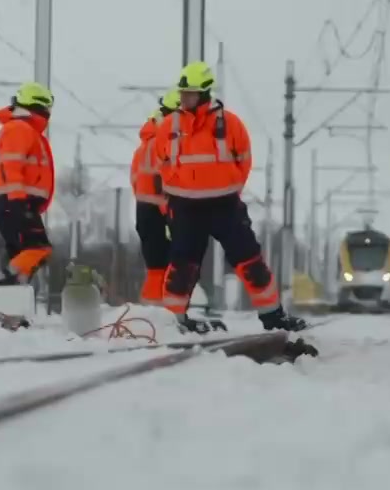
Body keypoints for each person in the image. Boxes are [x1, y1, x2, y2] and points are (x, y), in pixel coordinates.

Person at [150, 61, 308, 335]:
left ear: (204, 93)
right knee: (182, 267)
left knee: (250, 261)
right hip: (185, 208)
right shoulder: (169, 127)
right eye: (183, 92)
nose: (184, 97)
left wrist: (226, 187)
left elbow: (244, 161)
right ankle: (173, 321)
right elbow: (159, 162)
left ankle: (273, 316)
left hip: (224, 205)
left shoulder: (230, 124)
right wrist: (178, 189)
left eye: (190, 93)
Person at [0, 82, 56, 286]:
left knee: (22, 255)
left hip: (15, 202)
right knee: (38, 248)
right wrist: (18, 201)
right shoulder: (19, 129)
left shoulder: (24, 129)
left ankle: (12, 298)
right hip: (15, 202)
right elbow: (12, 165)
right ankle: (3, 279)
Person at [131, 90, 179, 304]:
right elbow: (166, 183)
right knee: (172, 266)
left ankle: (152, 310)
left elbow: (136, 181)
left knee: (155, 268)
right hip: (163, 213)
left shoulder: (143, 147)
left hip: (144, 211)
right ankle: (167, 311)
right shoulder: (166, 143)